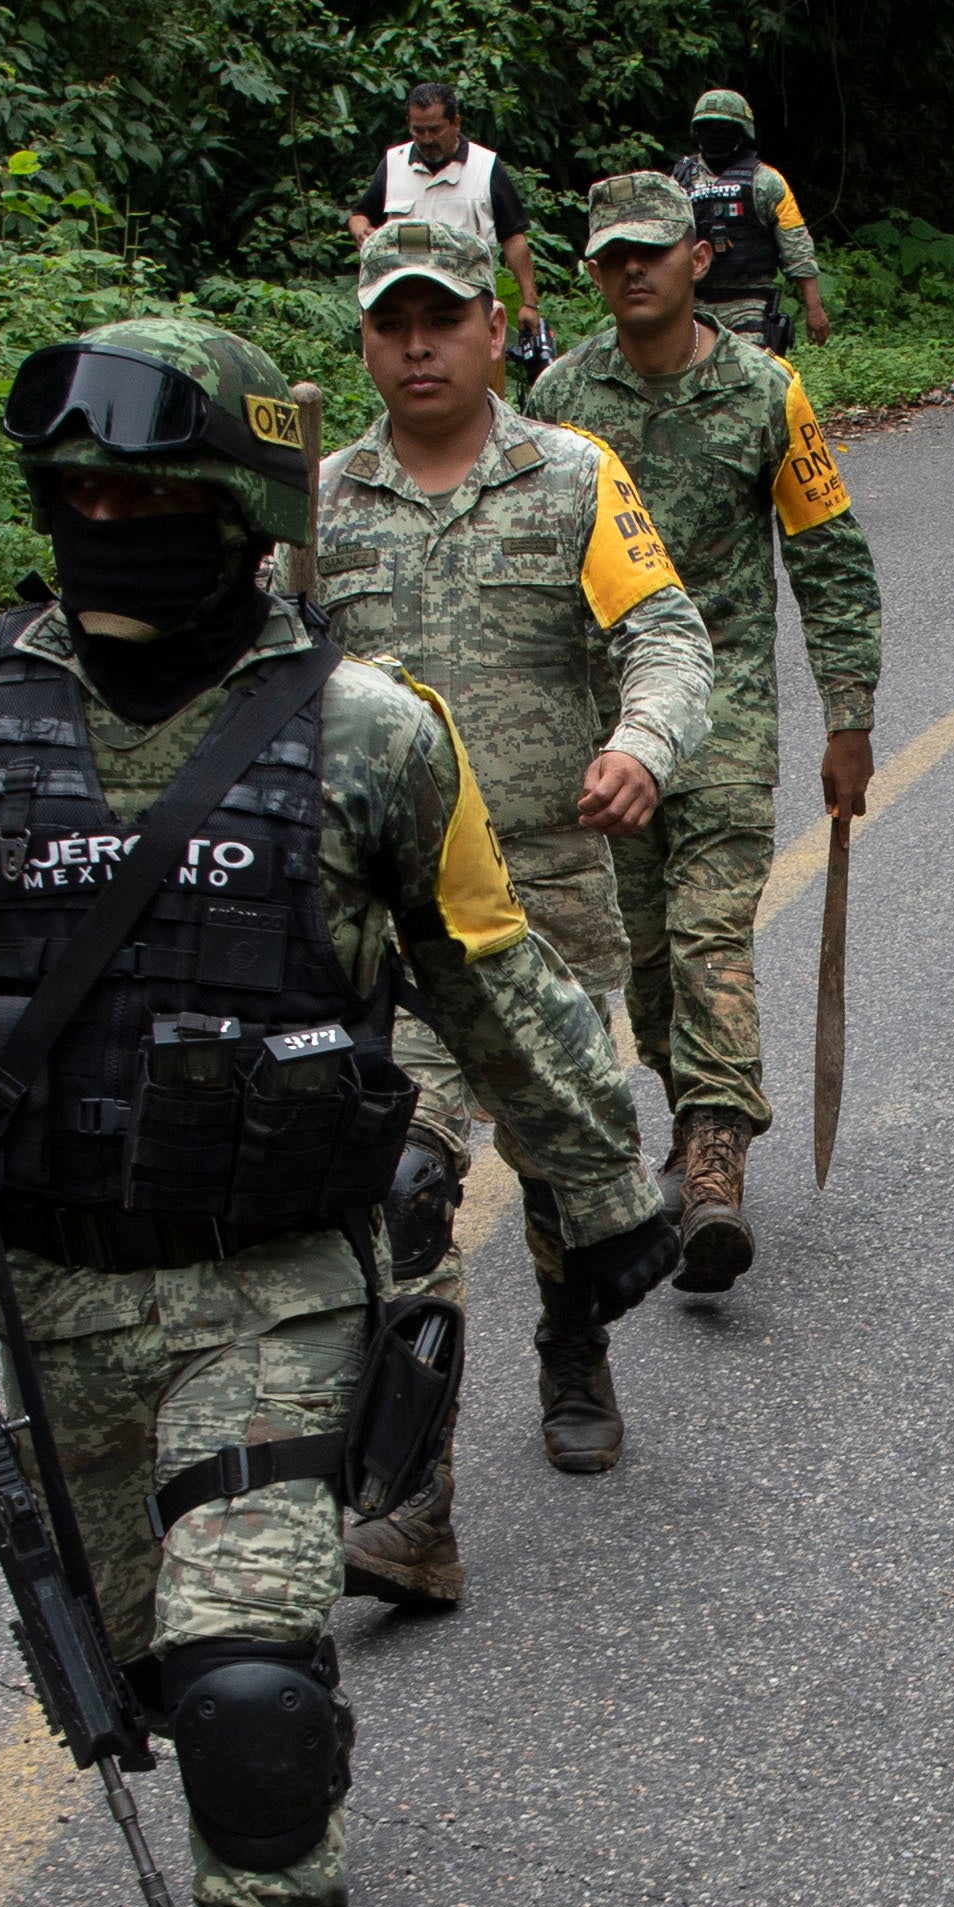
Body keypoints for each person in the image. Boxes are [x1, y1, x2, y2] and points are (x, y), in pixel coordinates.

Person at [0, 316, 675, 1907]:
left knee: (253, 1694)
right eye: (80, 499)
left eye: (151, 498)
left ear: (238, 513)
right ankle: (249, 1783)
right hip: (47, 1299)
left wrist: (599, 1182)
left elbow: (491, 967)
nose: (111, 527)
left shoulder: (368, 731)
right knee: (134, 1683)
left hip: (273, 1284)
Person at [314, 218, 715, 1578]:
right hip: (386, 925)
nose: (417, 346)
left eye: (443, 319)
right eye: (391, 324)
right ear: (365, 341)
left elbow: (664, 633)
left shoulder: (572, 476)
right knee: (403, 1183)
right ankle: (409, 1498)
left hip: (541, 906)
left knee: (560, 1175)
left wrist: (641, 746)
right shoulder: (318, 508)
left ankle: (574, 1344)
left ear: (497, 330)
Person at [532, 172, 885, 1289]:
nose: (631, 271)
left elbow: (829, 557)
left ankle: (718, 1164)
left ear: (696, 260)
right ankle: (692, 1119)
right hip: (606, 731)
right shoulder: (556, 396)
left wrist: (849, 716)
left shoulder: (765, 392)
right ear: (593, 272)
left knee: (707, 934)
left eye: (652, 251)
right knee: (639, 957)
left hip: (723, 717)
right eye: (610, 257)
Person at [349, 79, 541, 335]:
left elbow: (514, 238)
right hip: (403, 306)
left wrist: (529, 302)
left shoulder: (485, 166)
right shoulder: (394, 163)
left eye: (435, 129)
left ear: (456, 123)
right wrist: (361, 230)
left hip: (466, 307)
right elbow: (360, 214)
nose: (427, 139)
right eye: (418, 130)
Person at [673, 90, 830, 358]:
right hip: (693, 302)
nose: (715, 134)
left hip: (749, 302)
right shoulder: (679, 182)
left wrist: (814, 307)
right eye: (708, 127)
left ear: (740, 132)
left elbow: (796, 247)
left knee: (748, 379)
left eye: (722, 127)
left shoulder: (767, 182)